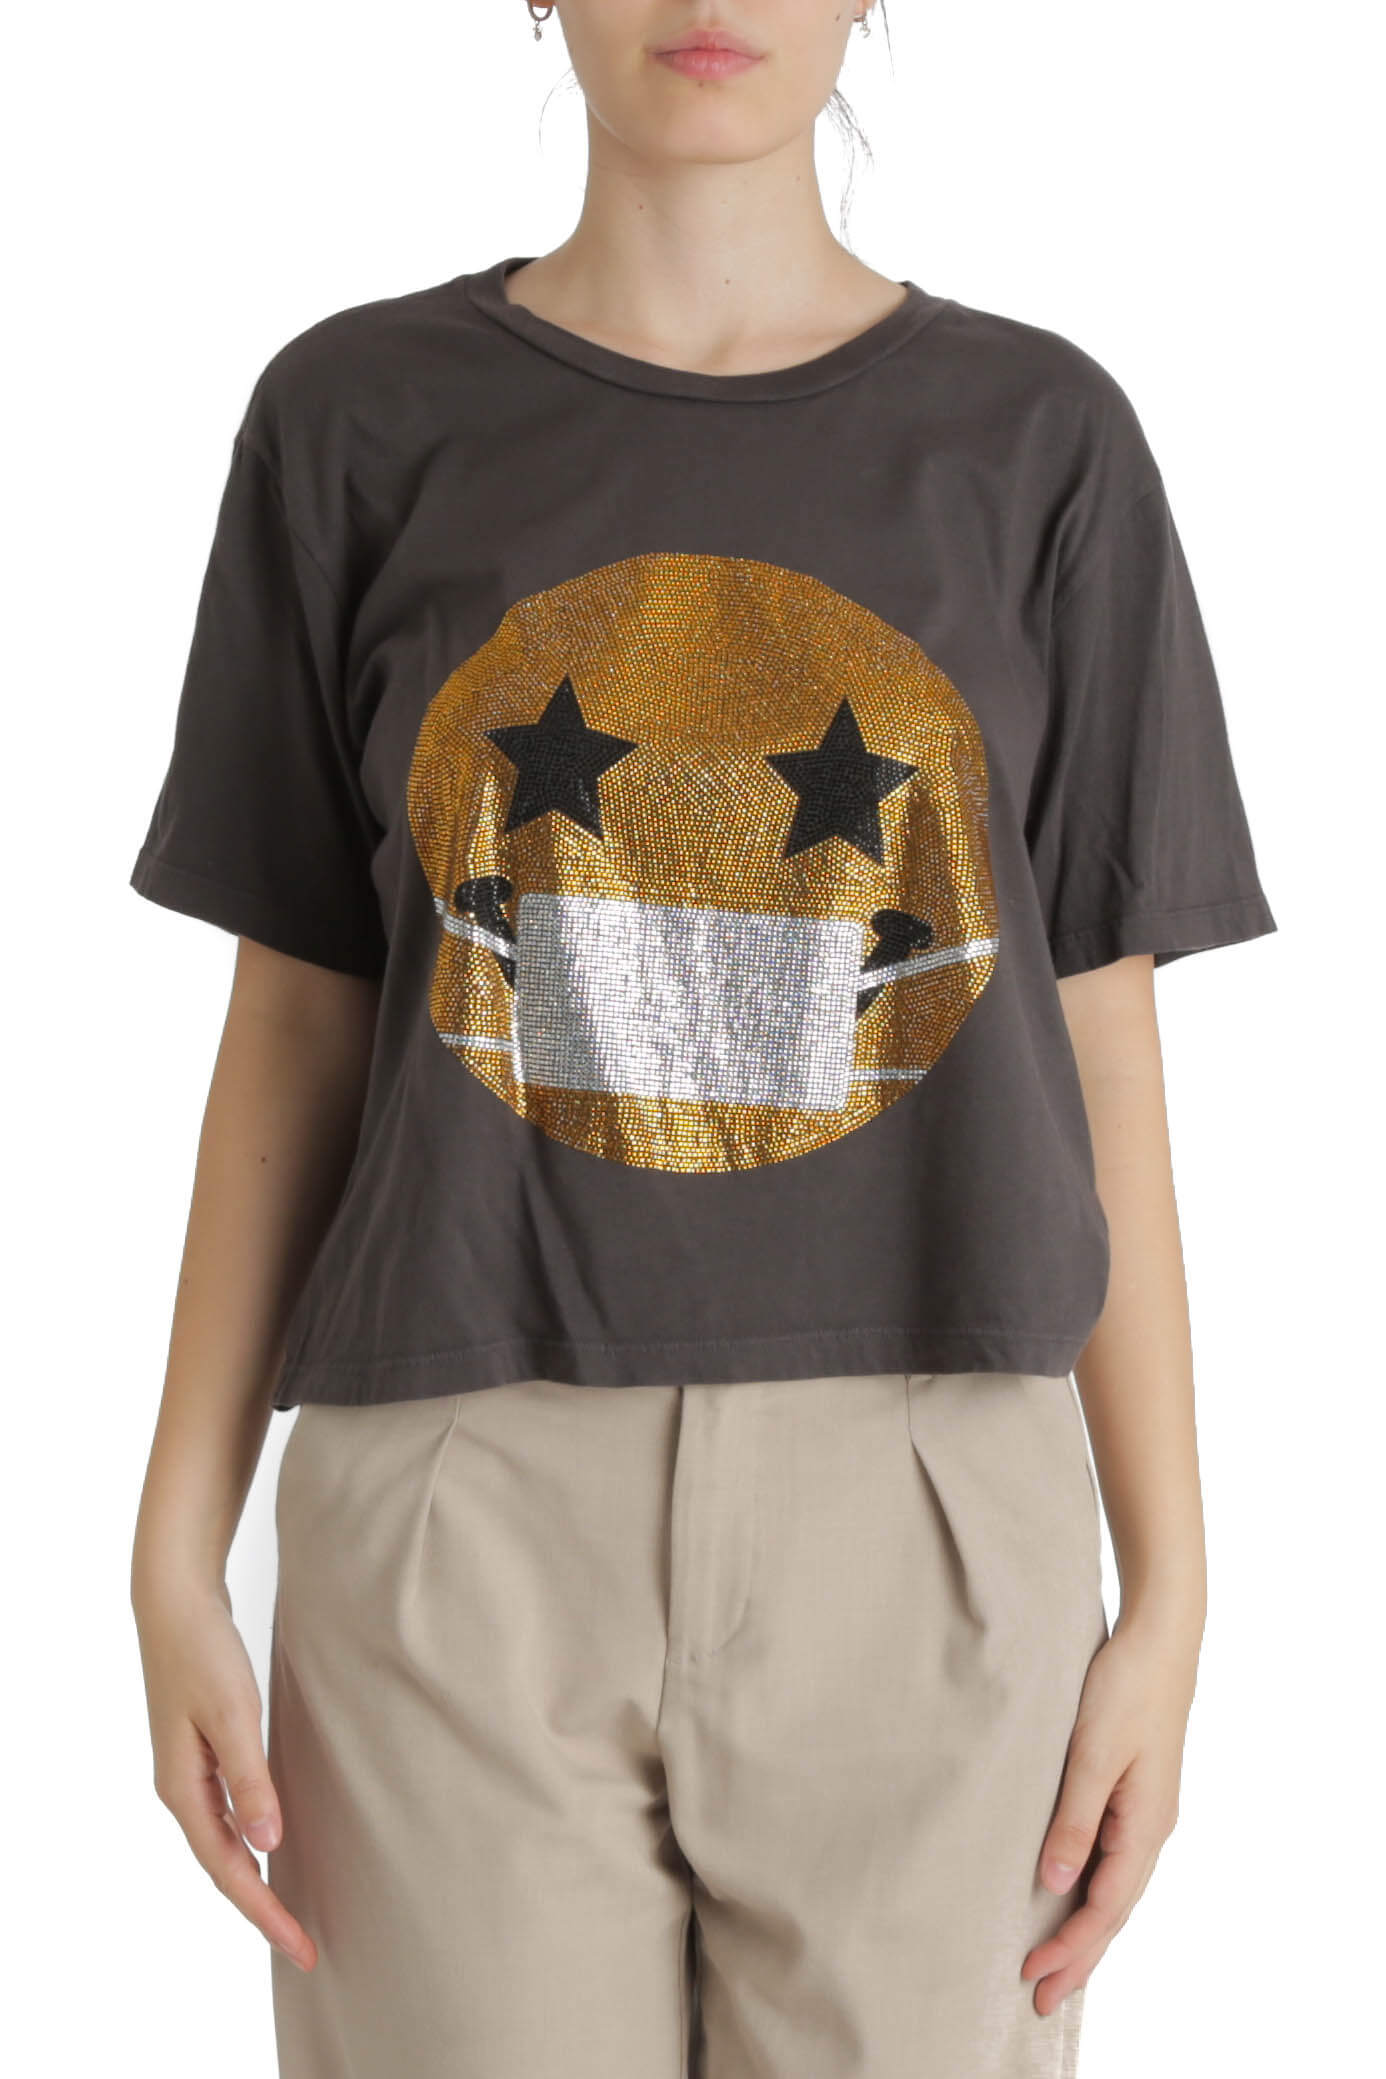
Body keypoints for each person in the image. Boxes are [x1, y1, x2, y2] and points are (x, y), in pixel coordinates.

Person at [126, 4, 1278, 2074]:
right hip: (456, 1498)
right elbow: (294, 1015)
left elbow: (1104, 1040)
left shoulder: (1042, 441)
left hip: (930, 1492)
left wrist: (1174, 1592)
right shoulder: (353, 418)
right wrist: (171, 1549)